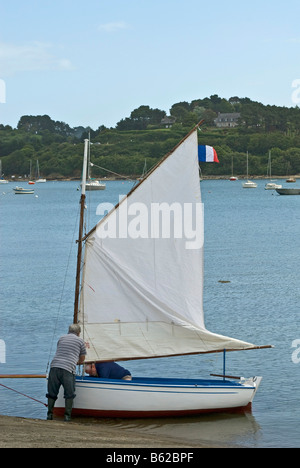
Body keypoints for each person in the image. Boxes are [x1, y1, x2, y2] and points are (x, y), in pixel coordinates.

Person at [46, 324, 86, 421]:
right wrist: (77, 362)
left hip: (54, 366)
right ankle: (67, 417)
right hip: (68, 369)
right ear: (79, 333)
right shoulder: (81, 341)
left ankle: (49, 415)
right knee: (69, 394)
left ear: (69, 331)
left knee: (52, 393)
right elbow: (82, 359)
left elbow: (61, 351)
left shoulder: (61, 338)